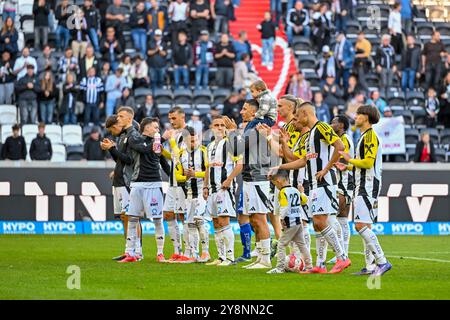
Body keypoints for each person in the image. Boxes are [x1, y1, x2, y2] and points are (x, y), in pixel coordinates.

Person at [271, 101, 350, 274]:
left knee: (320, 221)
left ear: (306, 114)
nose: (296, 120)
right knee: (317, 224)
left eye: (298, 116)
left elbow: (340, 146)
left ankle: (342, 258)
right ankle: (320, 265)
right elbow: (300, 161)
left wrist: (326, 168)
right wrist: (280, 167)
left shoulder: (321, 127)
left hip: (325, 182)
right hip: (315, 184)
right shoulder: (309, 137)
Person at [337, 105, 392, 276]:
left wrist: (349, 159)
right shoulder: (364, 136)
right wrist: (347, 167)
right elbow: (364, 164)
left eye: (359, 114)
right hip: (364, 183)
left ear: (366, 117)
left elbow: (368, 163)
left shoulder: (370, 137)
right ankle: (370, 266)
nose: (356, 116)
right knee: (365, 225)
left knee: (360, 225)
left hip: (367, 185)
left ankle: (382, 261)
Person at [223, 100, 275, 269]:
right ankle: (260, 257)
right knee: (253, 219)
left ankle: (266, 259)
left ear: (254, 113)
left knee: (260, 218)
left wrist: (231, 132)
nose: (241, 111)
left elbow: (236, 149)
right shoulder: (249, 129)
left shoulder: (256, 129)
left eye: (245, 109)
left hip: (257, 178)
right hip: (248, 179)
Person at [114, 112, 168, 262]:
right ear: (147, 127)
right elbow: (145, 149)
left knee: (157, 219)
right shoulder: (135, 139)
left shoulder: (157, 144)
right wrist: (161, 138)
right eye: (155, 127)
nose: (158, 130)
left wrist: (176, 181)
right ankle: (130, 253)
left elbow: (164, 164)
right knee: (132, 219)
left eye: (158, 128)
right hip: (137, 184)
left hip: (154, 184)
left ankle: (160, 253)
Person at [203, 116, 240, 265]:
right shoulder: (210, 146)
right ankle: (221, 257)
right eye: (216, 125)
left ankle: (230, 257)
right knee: (216, 223)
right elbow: (208, 168)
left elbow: (240, 164)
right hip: (211, 188)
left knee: (224, 221)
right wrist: (205, 186)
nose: (219, 127)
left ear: (225, 128)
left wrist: (229, 179)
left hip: (224, 188)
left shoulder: (230, 143)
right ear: (212, 127)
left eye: (221, 125)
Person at [266, 170, 312, 274]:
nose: (276, 187)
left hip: (289, 222)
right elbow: (304, 200)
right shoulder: (295, 190)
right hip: (298, 221)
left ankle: (280, 268)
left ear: (278, 181)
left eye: (274, 184)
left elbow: (285, 207)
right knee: (302, 245)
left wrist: (282, 219)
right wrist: (302, 192)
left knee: (281, 244)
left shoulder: (283, 192)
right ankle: (309, 266)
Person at [176, 127, 210, 262]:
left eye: (195, 140)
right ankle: (194, 254)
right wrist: (186, 177)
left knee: (198, 220)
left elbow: (209, 171)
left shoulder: (203, 151)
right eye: (190, 141)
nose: (194, 143)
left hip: (202, 191)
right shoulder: (180, 154)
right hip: (189, 193)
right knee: (190, 223)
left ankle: (205, 252)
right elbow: (177, 176)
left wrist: (195, 174)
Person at [161, 107, 190, 262]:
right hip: (172, 181)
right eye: (170, 119)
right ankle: (177, 250)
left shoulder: (188, 132)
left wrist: (169, 140)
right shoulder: (175, 133)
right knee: (168, 214)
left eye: (174, 118)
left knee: (183, 215)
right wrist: (162, 152)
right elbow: (173, 156)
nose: (171, 122)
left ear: (182, 116)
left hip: (182, 181)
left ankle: (188, 251)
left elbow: (182, 155)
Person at [102, 115, 133, 260]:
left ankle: (134, 251)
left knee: (130, 217)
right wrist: (111, 149)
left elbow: (129, 160)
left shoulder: (130, 136)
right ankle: (128, 250)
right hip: (118, 180)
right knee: (123, 217)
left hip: (126, 181)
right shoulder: (121, 137)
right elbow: (120, 159)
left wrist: (112, 148)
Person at [330, 115, 354, 261]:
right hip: (341, 181)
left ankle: (342, 252)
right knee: (341, 218)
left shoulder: (344, 140)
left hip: (344, 181)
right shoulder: (341, 138)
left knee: (337, 217)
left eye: (334, 122)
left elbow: (344, 158)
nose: (331, 124)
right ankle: (342, 253)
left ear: (341, 126)